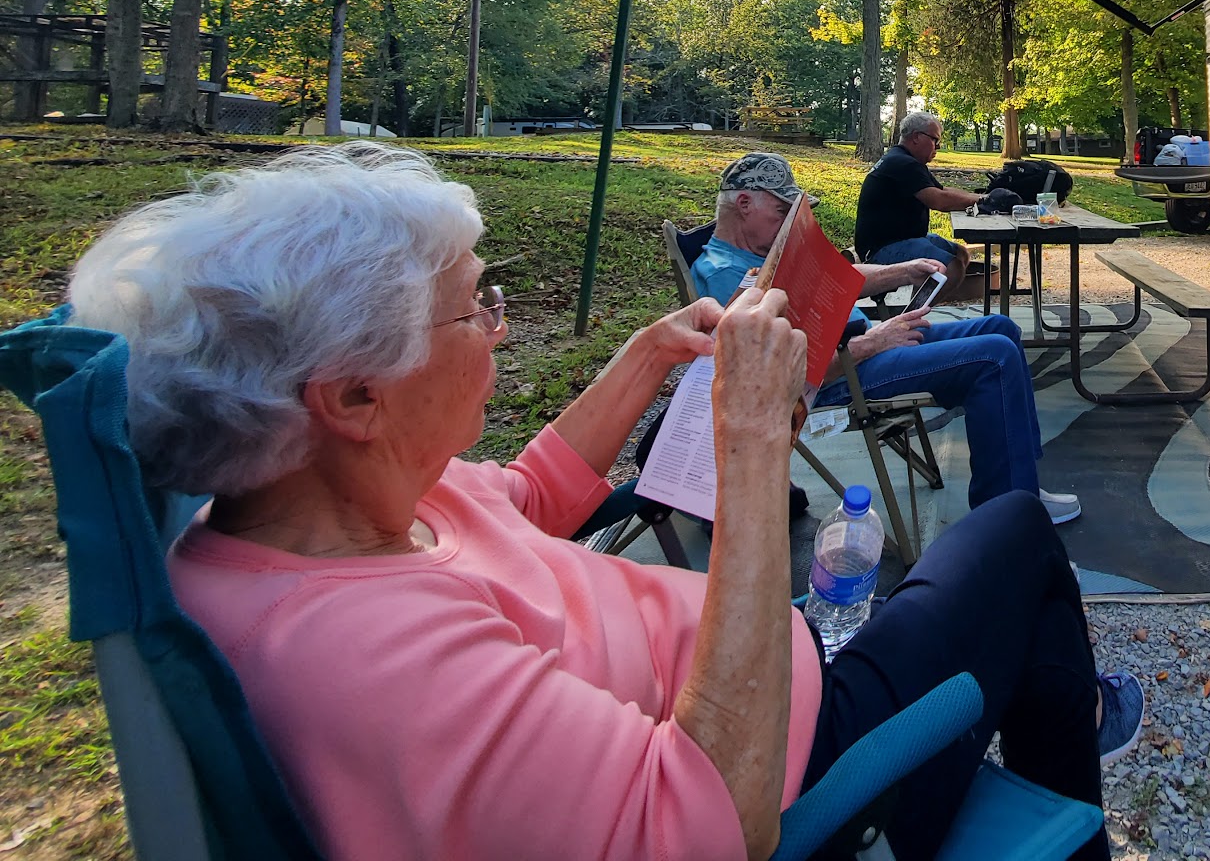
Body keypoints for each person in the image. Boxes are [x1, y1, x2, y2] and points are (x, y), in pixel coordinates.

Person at [67, 143, 1141, 861]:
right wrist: (757, 438)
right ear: (353, 395)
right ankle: (1068, 738)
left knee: (1003, 589)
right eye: (473, 307)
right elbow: (714, 820)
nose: (498, 323)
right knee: (1009, 541)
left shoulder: (352, 501)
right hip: (794, 754)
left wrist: (641, 360)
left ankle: (1062, 706)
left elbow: (528, 496)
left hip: (757, 668)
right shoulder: (359, 654)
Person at [696, 152, 1080, 525]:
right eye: (783, 212)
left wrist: (903, 270)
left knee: (1001, 329)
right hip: (840, 374)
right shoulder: (727, 277)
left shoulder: (765, 254)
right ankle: (1007, 512)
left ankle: (1020, 480)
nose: (790, 223)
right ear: (744, 203)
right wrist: (875, 341)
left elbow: (841, 277)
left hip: (860, 348)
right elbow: (785, 374)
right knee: (994, 356)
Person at [853, 111, 981, 280]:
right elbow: (938, 201)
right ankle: (920, 307)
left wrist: (984, 198)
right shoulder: (903, 163)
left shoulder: (907, 161)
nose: (938, 146)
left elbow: (943, 191)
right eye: (935, 139)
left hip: (905, 240)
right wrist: (983, 201)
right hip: (882, 249)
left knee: (961, 254)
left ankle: (923, 300)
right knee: (952, 267)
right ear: (916, 137)